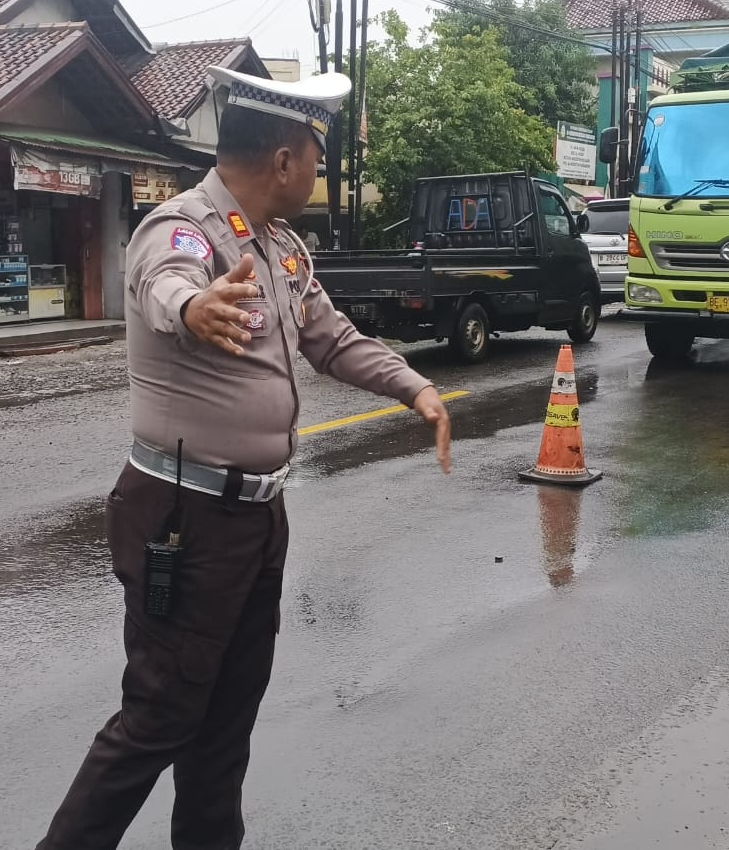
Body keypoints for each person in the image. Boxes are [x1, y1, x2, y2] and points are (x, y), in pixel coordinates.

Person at [37, 66, 452, 850]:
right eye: (316, 157)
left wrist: (415, 387)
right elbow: (163, 285)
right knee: (159, 716)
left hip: (257, 518)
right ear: (285, 160)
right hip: (183, 518)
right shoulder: (181, 229)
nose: (318, 172)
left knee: (225, 725)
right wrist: (194, 306)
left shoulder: (281, 250)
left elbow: (331, 337)